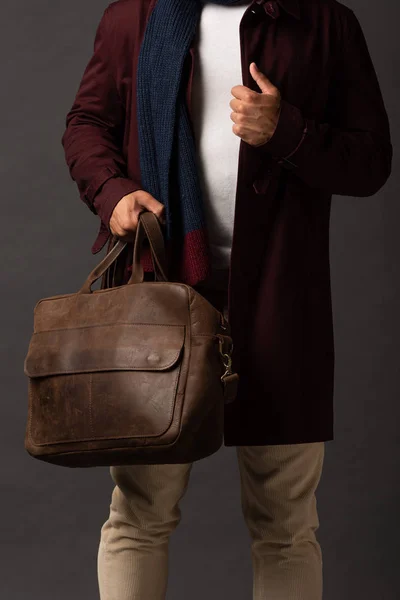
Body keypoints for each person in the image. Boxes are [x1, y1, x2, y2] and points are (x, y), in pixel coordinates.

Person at [61, 0, 392, 598]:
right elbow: (87, 122)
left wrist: (286, 130)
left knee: (286, 525)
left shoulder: (322, 22)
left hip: (281, 300)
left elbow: (371, 162)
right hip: (161, 296)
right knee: (139, 514)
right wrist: (112, 193)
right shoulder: (134, 16)